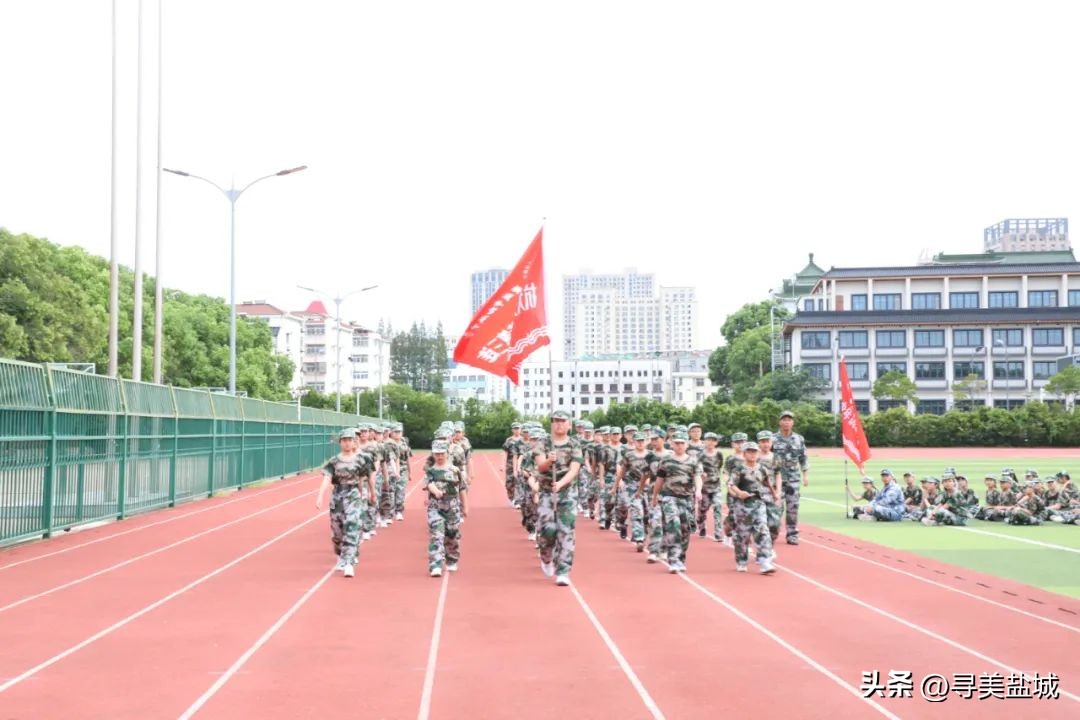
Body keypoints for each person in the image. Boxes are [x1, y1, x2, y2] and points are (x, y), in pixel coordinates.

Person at [530, 410, 583, 586]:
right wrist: (548, 461)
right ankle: (546, 558)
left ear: (569, 425)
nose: (559, 424)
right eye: (556, 421)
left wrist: (560, 484)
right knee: (547, 530)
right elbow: (541, 467)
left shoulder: (574, 444)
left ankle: (564, 571)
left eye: (562, 421)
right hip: (546, 491)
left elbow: (574, 469)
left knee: (566, 531)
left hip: (567, 492)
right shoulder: (543, 443)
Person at [315, 428, 377, 578]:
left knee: (352, 525)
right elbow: (327, 478)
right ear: (340, 442)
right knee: (337, 531)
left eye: (350, 440)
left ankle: (348, 562)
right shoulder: (334, 461)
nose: (347, 443)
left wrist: (372, 493)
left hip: (354, 494)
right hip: (338, 496)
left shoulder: (362, 459)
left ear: (354, 442)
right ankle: (340, 554)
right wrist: (320, 496)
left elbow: (369, 477)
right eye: (344, 440)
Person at [651, 431, 703, 573]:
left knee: (685, 530)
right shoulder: (666, 461)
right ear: (672, 444)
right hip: (669, 497)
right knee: (673, 526)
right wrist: (654, 497)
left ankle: (680, 558)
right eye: (677, 443)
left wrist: (698, 490)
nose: (679, 445)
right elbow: (659, 480)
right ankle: (673, 560)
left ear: (686, 444)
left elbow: (698, 477)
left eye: (682, 443)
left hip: (686, 499)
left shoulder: (693, 461)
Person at [727, 441, 776, 574]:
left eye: (754, 451)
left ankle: (765, 561)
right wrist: (739, 493)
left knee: (763, 531)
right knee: (742, 535)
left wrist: (774, 495)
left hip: (759, 503)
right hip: (742, 506)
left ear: (758, 453)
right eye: (749, 452)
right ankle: (741, 560)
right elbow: (731, 484)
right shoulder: (739, 469)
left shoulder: (762, 468)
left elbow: (768, 483)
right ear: (744, 454)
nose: (752, 454)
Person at [423, 440, 468, 577]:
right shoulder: (431, 471)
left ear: (447, 454)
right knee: (436, 534)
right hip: (435, 507)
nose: (439, 456)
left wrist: (465, 507)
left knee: (451, 534)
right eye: (437, 454)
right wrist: (435, 492)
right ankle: (435, 564)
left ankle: (452, 559)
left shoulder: (455, 470)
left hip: (452, 506)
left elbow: (462, 489)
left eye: (442, 454)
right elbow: (429, 484)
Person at [771, 410, 809, 545]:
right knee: (776, 507)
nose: (786, 422)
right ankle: (773, 532)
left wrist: (805, 475)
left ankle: (792, 534)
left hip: (793, 479)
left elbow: (803, 458)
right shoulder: (772, 439)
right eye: (784, 419)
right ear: (779, 422)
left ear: (792, 422)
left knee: (793, 507)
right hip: (776, 479)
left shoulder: (799, 439)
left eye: (789, 420)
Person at [615, 431, 653, 551]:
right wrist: (618, 482)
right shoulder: (629, 455)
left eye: (642, 441)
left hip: (648, 488)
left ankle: (644, 534)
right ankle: (639, 538)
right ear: (634, 442)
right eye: (638, 441)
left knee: (647, 514)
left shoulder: (652, 456)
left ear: (646, 442)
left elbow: (659, 472)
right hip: (632, 486)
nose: (640, 443)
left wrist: (651, 481)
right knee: (637, 511)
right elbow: (622, 469)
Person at [696, 432, 725, 541]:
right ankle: (701, 525)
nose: (710, 442)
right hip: (704, 488)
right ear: (704, 441)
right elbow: (697, 468)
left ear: (716, 442)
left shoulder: (719, 454)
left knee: (718, 506)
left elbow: (719, 466)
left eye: (713, 440)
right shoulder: (701, 455)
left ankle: (718, 532)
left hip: (716, 486)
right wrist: (701, 474)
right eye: (708, 440)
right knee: (703, 509)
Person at [502, 423, 524, 505]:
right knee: (509, 484)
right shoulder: (509, 440)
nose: (517, 430)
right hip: (510, 464)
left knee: (520, 482)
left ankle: (518, 499)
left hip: (522, 464)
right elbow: (505, 452)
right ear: (512, 430)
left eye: (518, 428)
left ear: (521, 429)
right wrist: (502, 464)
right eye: (515, 428)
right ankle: (511, 498)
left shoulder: (523, 440)